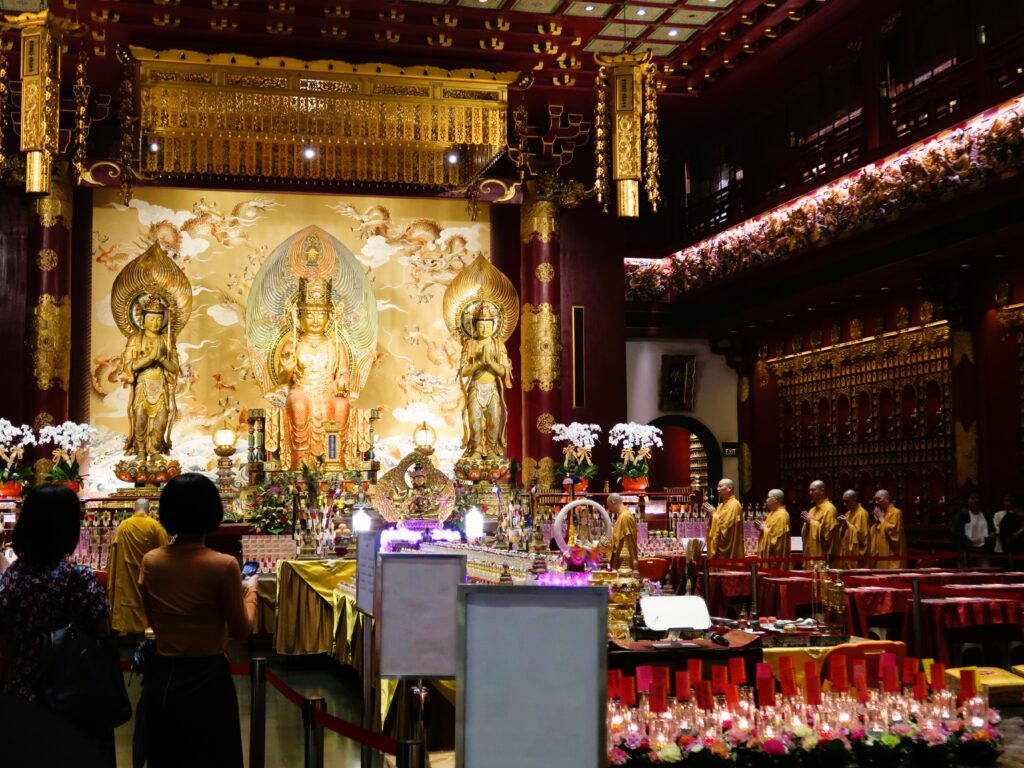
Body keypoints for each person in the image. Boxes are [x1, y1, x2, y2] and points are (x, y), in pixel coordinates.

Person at [139, 473, 258, 768]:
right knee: (214, 755)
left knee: (168, 756)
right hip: (209, 677)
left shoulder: (151, 561)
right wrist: (252, 593)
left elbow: (152, 618)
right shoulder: (224, 565)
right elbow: (242, 630)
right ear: (213, 514)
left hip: (165, 674)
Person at [0, 485, 113, 764]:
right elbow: (104, 633)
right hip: (74, 696)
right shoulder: (80, 579)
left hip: (24, 694)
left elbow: (6, 640)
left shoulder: (12, 577)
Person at [108, 497, 168, 636]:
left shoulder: (122, 526)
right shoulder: (155, 526)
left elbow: (114, 557)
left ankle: (124, 627)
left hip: (126, 581)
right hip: (148, 580)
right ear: (150, 509)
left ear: (133, 509)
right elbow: (165, 554)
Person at [702, 478, 744, 570]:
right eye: (717, 486)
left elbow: (725, 529)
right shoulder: (721, 505)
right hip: (720, 549)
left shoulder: (734, 505)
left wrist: (714, 514)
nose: (718, 489)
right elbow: (718, 524)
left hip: (728, 552)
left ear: (729, 488)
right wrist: (712, 516)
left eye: (720, 486)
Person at [800, 480, 839, 565]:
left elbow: (828, 535)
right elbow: (806, 534)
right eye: (809, 490)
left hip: (822, 555)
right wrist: (807, 524)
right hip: (810, 552)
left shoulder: (829, 509)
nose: (810, 493)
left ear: (822, 491)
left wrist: (811, 522)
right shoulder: (812, 510)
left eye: (813, 490)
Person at [951, 491, 994, 561]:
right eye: (972, 498)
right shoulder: (962, 514)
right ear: (967, 500)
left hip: (983, 548)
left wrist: (991, 535)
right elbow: (956, 532)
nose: (975, 500)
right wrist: (968, 539)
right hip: (966, 549)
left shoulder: (986, 514)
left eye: (977, 498)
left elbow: (992, 529)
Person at [755, 489, 791, 570]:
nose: (766, 500)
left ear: (776, 500)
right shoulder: (772, 513)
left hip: (775, 560)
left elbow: (777, 541)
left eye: (768, 497)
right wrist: (762, 529)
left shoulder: (782, 515)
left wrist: (764, 529)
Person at [869, 489, 905, 569]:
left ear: (887, 499)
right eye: (875, 499)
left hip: (892, 555)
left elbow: (893, 532)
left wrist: (881, 519)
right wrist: (877, 521)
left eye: (878, 499)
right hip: (880, 553)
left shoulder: (896, 513)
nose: (876, 502)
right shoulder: (882, 513)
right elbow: (875, 532)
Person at [836, 489, 870, 569]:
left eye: (847, 501)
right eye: (843, 501)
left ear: (854, 500)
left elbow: (862, 536)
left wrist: (847, 524)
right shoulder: (847, 514)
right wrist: (843, 527)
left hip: (857, 554)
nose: (844, 504)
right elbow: (844, 534)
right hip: (847, 552)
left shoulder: (862, 514)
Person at [609, 494, 638, 570]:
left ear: (613, 501)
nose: (610, 509)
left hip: (625, 561)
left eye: (609, 505)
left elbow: (626, 543)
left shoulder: (625, 517)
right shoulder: (622, 515)